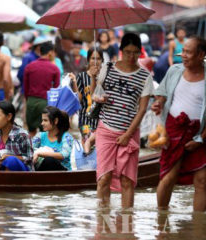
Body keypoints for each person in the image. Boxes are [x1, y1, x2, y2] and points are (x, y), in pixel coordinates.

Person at [95, 33, 154, 208]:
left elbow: (142, 109)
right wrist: (93, 81)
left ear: (140, 53)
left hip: (130, 132)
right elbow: (94, 93)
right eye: (127, 52)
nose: (131, 56)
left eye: (135, 52)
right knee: (104, 177)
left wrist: (128, 135)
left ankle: (127, 223)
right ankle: (102, 220)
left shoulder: (145, 76)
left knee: (127, 180)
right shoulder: (107, 68)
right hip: (105, 128)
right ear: (121, 51)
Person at [151, 36, 206, 212]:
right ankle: (161, 221)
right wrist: (159, 103)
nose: (183, 55)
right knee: (168, 178)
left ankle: (197, 228)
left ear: (201, 55)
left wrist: (201, 139)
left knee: (202, 180)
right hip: (174, 130)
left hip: (201, 132)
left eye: (188, 52)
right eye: (183, 51)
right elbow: (162, 94)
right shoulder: (174, 70)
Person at [70, 48, 103, 154]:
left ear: (102, 60)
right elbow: (79, 100)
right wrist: (75, 82)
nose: (95, 61)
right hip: (85, 119)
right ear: (88, 60)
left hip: (101, 119)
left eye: (98, 58)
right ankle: (87, 168)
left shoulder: (105, 76)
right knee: (87, 145)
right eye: (93, 58)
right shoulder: (82, 76)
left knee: (100, 148)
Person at [23, 41, 60, 137]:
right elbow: (56, 90)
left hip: (31, 101)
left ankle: (28, 151)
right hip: (45, 102)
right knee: (45, 133)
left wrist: (29, 101)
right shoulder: (54, 69)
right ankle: (43, 152)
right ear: (50, 52)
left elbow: (25, 88)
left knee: (31, 132)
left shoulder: (29, 66)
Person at [0, 100, 33, 171]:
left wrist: (9, 157)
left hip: (23, 174)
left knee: (11, 161)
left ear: (9, 116)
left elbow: (29, 158)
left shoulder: (22, 135)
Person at [33, 106, 73, 171]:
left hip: (62, 174)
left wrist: (39, 153)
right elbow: (30, 151)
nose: (42, 123)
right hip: (42, 172)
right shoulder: (39, 136)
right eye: (42, 120)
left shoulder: (66, 137)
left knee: (49, 160)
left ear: (55, 121)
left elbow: (63, 155)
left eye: (45, 120)